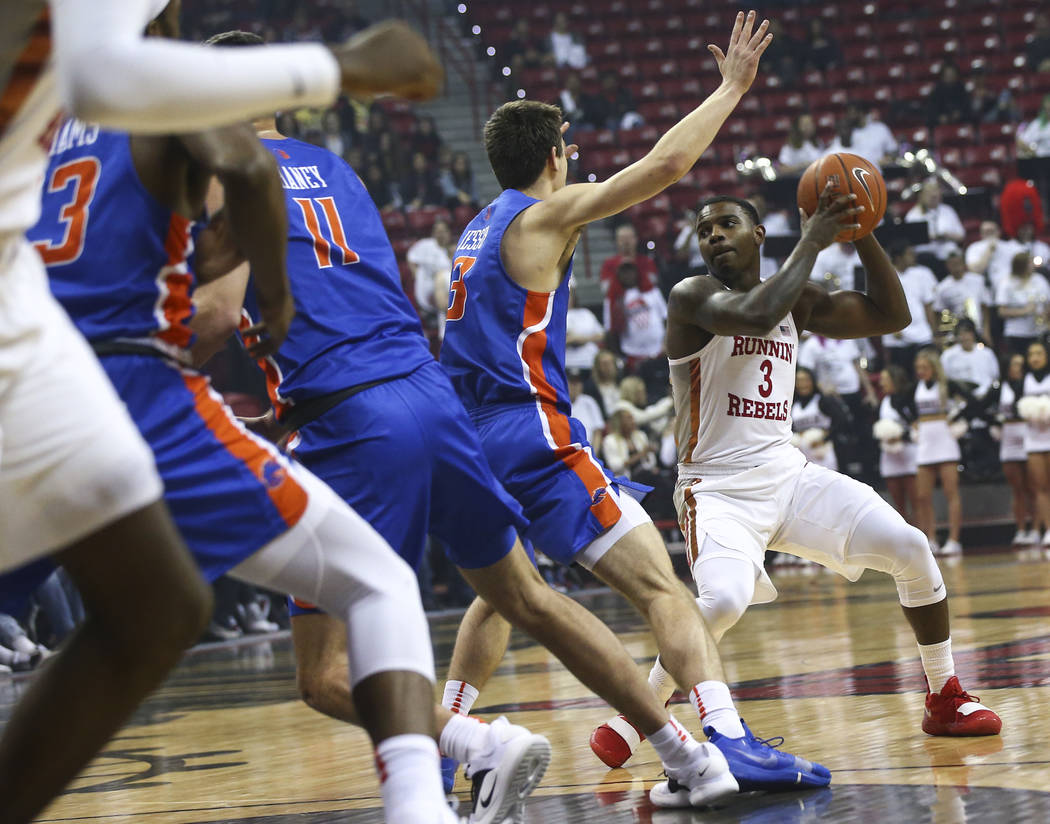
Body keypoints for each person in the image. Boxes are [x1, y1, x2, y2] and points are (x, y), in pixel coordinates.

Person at [0, 3, 442, 821]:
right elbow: (248, 163)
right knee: (374, 582)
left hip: (23, 364)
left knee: (153, 610)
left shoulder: (39, 98)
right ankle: (422, 803)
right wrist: (272, 288)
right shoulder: (146, 85)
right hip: (127, 380)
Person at [441, 13, 833, 804]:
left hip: (469, 438)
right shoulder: (541, 216)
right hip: (532, 430)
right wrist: (731, 89)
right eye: (571, 151)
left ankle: (449, 727)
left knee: (501, 591)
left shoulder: (473, 230)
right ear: (554, 156)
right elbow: (667, 164)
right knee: (665, 591)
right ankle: (724, 741)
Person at [593, 188, 1000, 769]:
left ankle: (944, 695)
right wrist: (813, 238)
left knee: (911, 547)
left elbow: (894, 315)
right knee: (726, 599)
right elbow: (757, 313)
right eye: (704, 228)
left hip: (789, 475)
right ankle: (640, 711)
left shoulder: (799, 298)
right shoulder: (693, 295)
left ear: (758, 235)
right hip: (714, 488)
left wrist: (862, 232)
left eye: (727, 223)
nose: (713, 235)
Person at [912, 348, 966, 557]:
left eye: (925, 367)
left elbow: (969, 402)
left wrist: (955, 416)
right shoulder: (915, 388)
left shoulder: (947, 386)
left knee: (951, 493)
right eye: (918, 368)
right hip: (925, 442)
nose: (921, 371)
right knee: (923, 495)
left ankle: (954, 540)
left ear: (934, 368)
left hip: (945, 441)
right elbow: (903, 406)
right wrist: (912, 423)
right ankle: (931, 539)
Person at [992, 354, 1037, 545]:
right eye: (1013, 364)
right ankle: (1020, 529)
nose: (1017, 367)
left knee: (1033, 488)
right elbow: (984, 406)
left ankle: (1037, 529)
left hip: (1028, 435)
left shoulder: (1029, 384)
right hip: (1009, 437)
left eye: (1020, 364)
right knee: (1017, 489)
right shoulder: (1000, 387)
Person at [876, 366, 920, 526]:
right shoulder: (884, 401)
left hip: (909, 453)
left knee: (917, 501)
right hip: (890, 456)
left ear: (895, 379)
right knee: (898, 506)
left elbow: (916, 427)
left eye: (885, 379)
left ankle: (925, 538)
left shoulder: (908, 401)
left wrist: (901, 435)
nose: (881, 383)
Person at [883, 243, 937, 370]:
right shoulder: (885, 275)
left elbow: (928, 304)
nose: (914, 257)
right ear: (898, 257)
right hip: (898, 338)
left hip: (922, 335)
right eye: (909, 254)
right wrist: (892, 329)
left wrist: (933, 330)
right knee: (901, 377)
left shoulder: (922, 274)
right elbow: (883, 306)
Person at [1020, 340, 1050, 547]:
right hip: (1033, 440)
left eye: (1039, 353)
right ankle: (1048, 529)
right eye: (1031, 354)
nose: (1035, 357)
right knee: (1040, 488)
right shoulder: (1023, 380)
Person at [791, 367, 850, 472]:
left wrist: (825, 438)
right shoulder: (793, 405)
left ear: (813, 381)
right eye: (799, 381)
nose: (802, 384)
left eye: (806, 380)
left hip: (824, 451)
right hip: (802, 454)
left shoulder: (823, 400)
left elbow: (841, 420)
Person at [407, 217, 455, 337]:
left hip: (444, 290)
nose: (440, 234)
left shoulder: (453, 250)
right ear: (433, 233)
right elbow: (411, 257)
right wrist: (415, 274)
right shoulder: (425, 245)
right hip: (426, 291)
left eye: (443, 231)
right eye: (437, 231)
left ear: (449, 233)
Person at [996, 251, 1050, 355]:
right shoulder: (1007, 282)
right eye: (1029, 262)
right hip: (1017, 333)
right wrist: (1024, 311)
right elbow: (1001, 311)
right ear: (1021, 265)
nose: (1032, 265)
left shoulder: (1039, 280)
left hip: (1039, 330)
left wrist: (1046, 314)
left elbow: (1048, 303)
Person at [905, 180, 965, 273]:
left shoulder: (948, 210)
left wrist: (947, 235)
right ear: (921, 196)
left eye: (936, 192)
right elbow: (910, 241)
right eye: (929, 192)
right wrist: (931, 237)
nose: (933, 195)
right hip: (925, 256)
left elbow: (961, 236)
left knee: (955, 256)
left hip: (947, 253)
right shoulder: (913, 215)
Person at [934, 252, 994, 343]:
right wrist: (940, 335)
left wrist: (986, 331)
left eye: (958, 264)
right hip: (956, 332)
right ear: (947, 266)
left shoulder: (977, 281)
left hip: (978, 330)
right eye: (953, 264)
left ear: (963, 264)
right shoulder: (942, 288)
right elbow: (938, 313)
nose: (956, 267)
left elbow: (985, 308)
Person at [600, 223, 659, 314]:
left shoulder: (647, 261)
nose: (626, 242)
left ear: (636, 239)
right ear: (616, 241)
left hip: (646, 304)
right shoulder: (609, 263)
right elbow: (605, 288)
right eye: (622, 239)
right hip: (619, 304)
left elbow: (653, 282)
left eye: (629, 238)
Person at [941, 319, 999, 398]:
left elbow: (995, 376)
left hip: (985, 397)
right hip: (960, 398)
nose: (964, 337)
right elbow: (944, 379)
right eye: (961, 334)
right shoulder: (948, 356)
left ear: (973, 334)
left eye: (967, 333)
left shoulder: (987, 353)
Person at [565, 281, 606, 376]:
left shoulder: (585, 313)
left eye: (569, 294)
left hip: (590, 363)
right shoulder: (553, 317)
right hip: (568, 364)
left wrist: (578, 339)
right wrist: (572, 339)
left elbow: (601, 335)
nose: (567, 298)